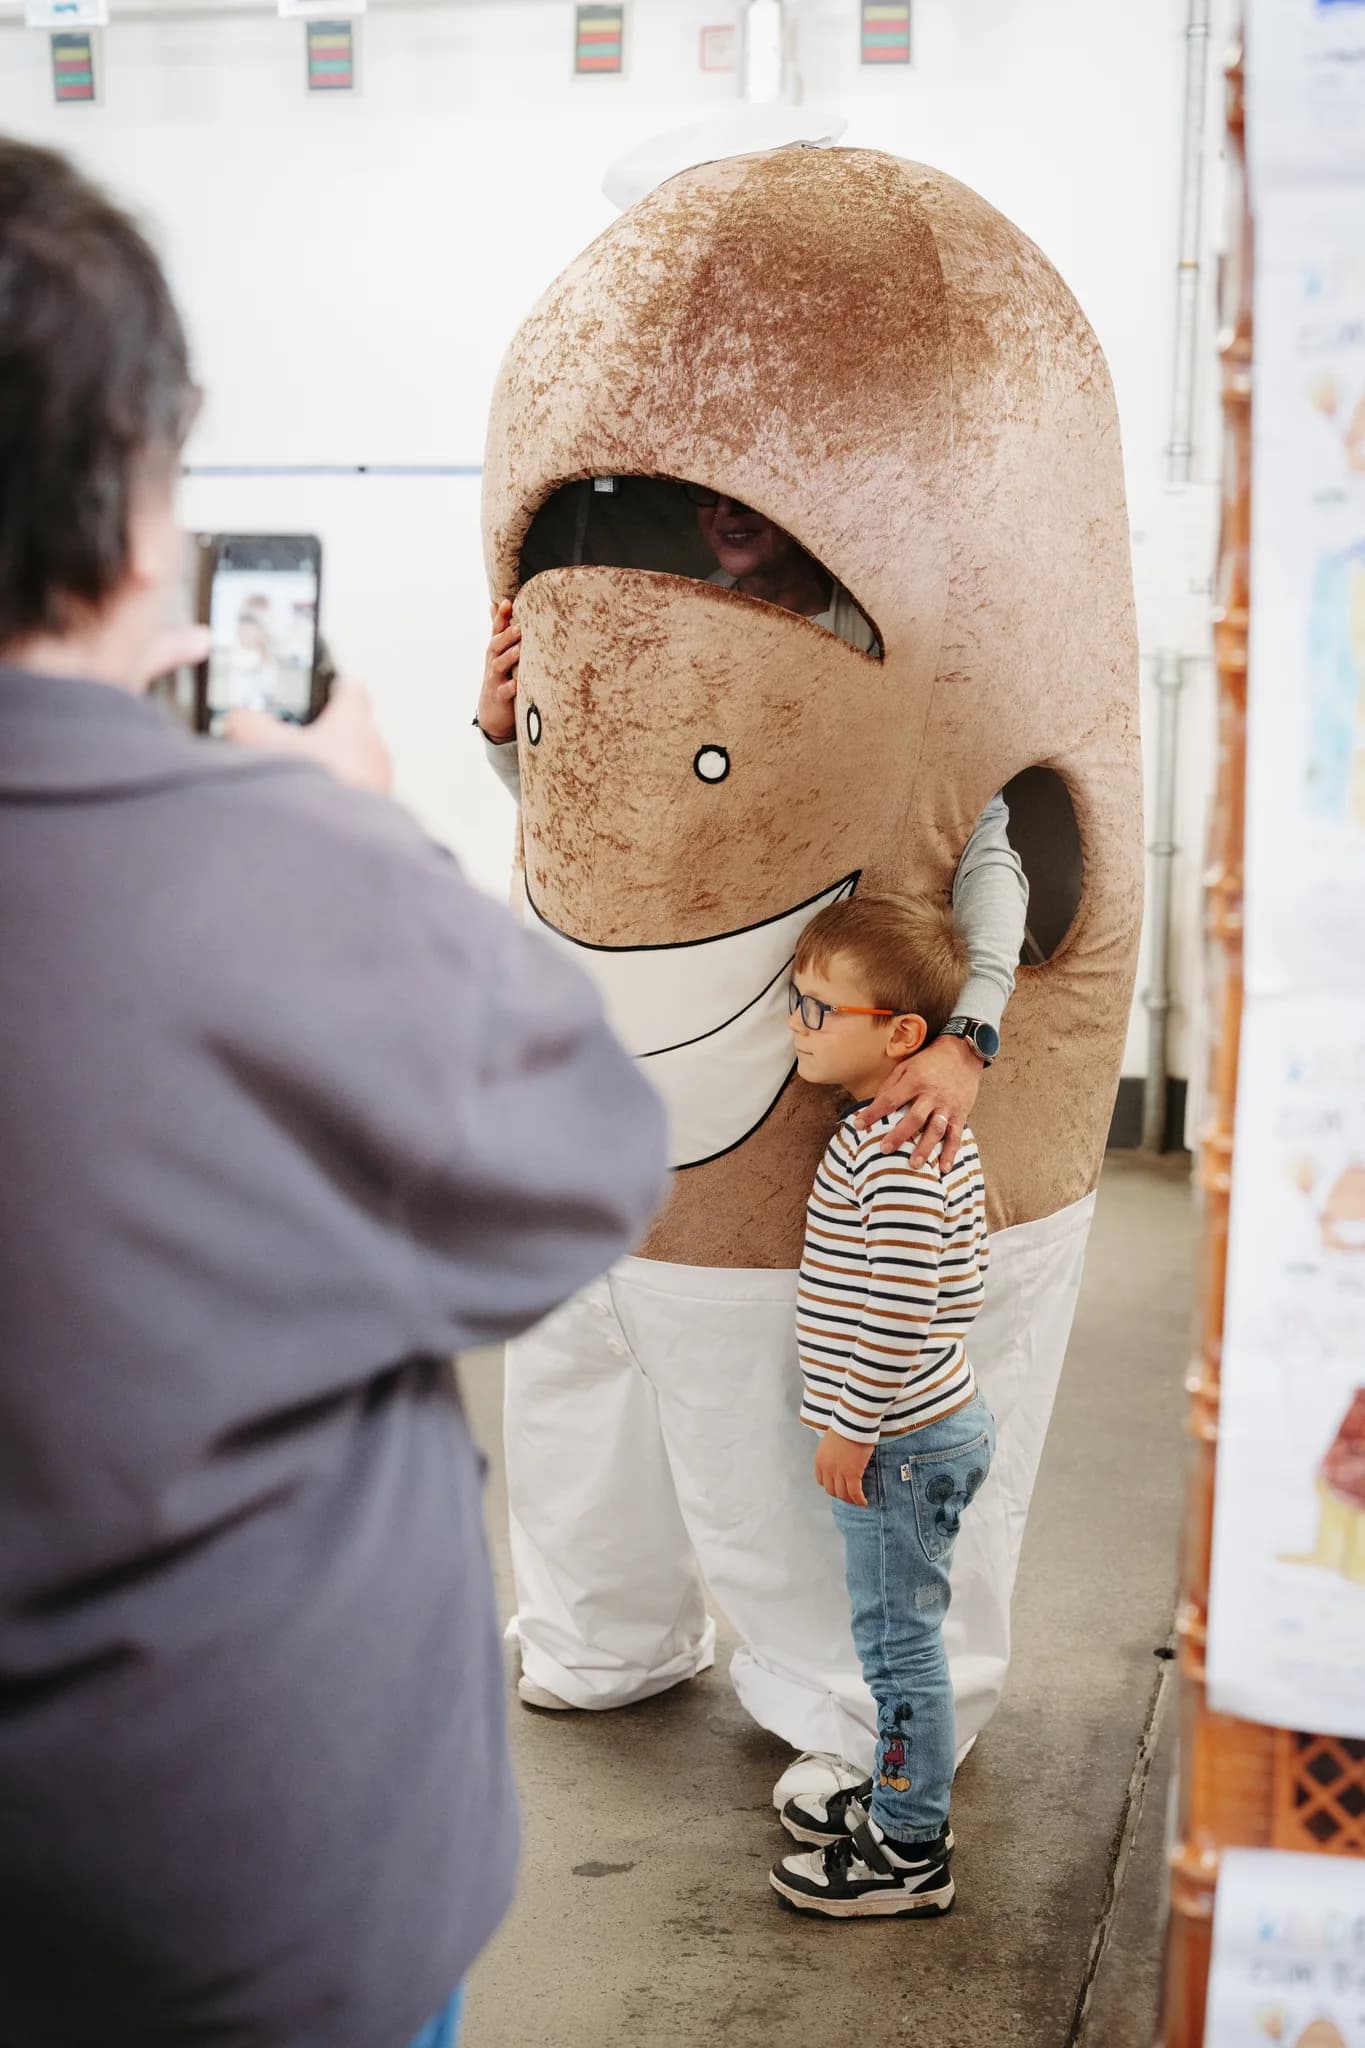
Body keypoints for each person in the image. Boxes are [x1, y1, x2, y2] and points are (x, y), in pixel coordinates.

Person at [0, 139, 668, 2048]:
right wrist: (353, 834)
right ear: (138, 498)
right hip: (247, 1929)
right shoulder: (283, 871)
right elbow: (580, 1165)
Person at [474, 490, 1024, 1808]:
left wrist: (973, 1035)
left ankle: (863, 1720)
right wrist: (506, 734)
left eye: (756, 489)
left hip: (767, 1123)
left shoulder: (883, 635)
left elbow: (986, 833)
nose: (725, 507)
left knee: (762, 1429)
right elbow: (602, 822)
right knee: (578, 1397)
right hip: (606, 1105)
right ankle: (598, 1638)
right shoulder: (653, 614)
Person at [769, 893, 994, 1918]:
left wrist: (853, 1421)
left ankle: (909, 1849)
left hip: (899, 1440)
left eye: (821, 1009)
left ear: (901, 1032)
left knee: (899, 1640)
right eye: (796, 1000)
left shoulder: (899, 1145)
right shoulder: (891, 1127)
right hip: (911, 1432)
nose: (797, 1025)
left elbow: (904, 1300)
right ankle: (904, 1795)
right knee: (895, 1631)